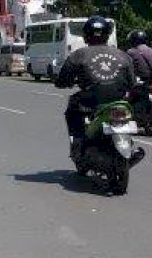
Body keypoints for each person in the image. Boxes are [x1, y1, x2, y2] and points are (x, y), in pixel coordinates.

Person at [55, 16, 135, 156]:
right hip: (118, 99)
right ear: (107, 35)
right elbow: (131, 82)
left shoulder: (78, 55)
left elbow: (63, 80)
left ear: (86, 36)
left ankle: (77, 140)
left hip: (91, 99)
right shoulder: (123, 55)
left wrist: (63, 83)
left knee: (73, 106)